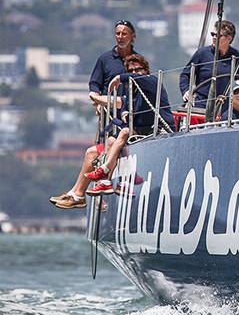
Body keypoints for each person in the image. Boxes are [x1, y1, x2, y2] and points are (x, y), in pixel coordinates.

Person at [51, 54, 173, 208]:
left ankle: (108, 174)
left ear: (146, 70)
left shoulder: (152, 82)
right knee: (93, 151)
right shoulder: (131, 95)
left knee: (123, 133)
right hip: (136, 134)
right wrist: (115, 111)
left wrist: (119, 78)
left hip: (158, 131)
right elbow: (121, 114)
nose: (135, 73)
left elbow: (132, 86)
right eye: (131, 70)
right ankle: (78, 194)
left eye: (139, 69)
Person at [179, 19, 239, 113]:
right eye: (213, 34)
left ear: (229, 38)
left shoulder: (237, 56)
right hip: (202, 105)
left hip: (226, 108)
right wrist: (186, 91)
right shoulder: (202, 54)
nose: (214, 37)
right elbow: (185, 74)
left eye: (218, 35)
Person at [88, 20, 138, 109]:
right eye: (118, 33)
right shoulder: (104, 59)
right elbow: (94, 83)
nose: (120, 37)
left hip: (132, 112)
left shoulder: (138, 60)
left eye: (124, 34)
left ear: (132, 36)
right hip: (108, 111)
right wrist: (97, 99)